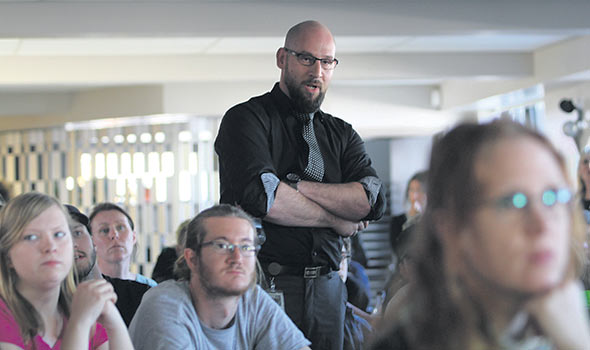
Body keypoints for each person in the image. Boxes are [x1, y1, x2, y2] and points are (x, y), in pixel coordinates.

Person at [214, 20, 385, 349]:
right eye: (306, 58)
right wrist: (336, 219)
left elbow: (371, 201)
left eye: (326, 62)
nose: (317, 71)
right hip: (267, 283)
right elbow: (262, 198)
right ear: (282, 58)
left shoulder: (342, 134)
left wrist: (294, 185)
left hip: (328, 287)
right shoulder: (246, 119)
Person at [369, 120, 590, 349]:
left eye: (552, 197)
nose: (542, 225)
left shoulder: (568, 321)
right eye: (512, 202)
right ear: (453, 229)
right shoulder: (410, 342)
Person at [128, 204, 311, 350]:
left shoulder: (253, 300)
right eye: (222, 246)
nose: (237, 258)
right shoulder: (165, 303)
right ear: (192, 259)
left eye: (246, 247)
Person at [0, 192, 133, 350]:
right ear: (7, 256)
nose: (50, 246)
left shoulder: (81, 307)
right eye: (32, 237)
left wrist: (113, 321)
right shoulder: (4, 316)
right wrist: (80, 323)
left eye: (59, 234)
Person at [67, 204, 150, 327]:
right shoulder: (47, 307)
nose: (73, 244)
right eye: (60, 236)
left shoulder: (142, 296)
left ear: (92, 240)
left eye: (77, 233)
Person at [89, 202, 157, 287]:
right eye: (104, 230)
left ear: (133, 237)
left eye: (120, 227)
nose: (114, 235)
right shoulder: (83, 289)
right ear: (91, 242)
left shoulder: (150, 287)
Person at [389, 170, 427, 255]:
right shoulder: (398, 221)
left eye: (419, 190)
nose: (414, 196)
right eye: (412, 190)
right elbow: (398, 249)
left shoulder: (433, 220)